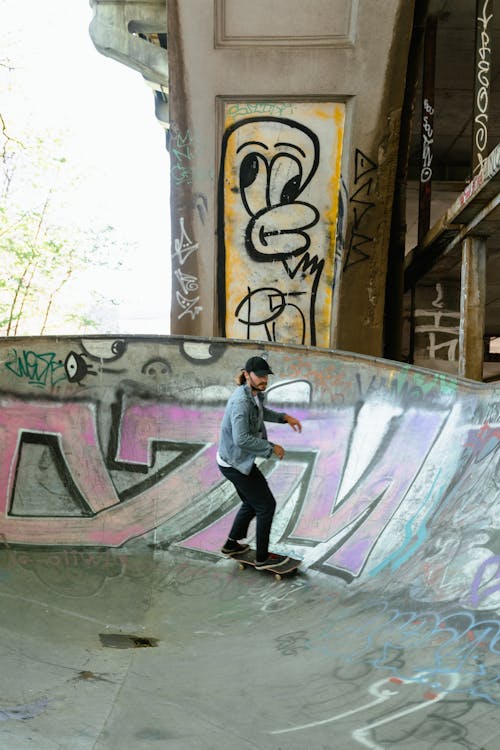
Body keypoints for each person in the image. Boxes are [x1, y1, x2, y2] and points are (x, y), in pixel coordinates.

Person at [217, 355, 302, 569]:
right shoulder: (240, 402)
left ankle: (231, 545)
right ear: (247, 375)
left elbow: (262, 413)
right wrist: (270, 447)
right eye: (260, 376)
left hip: (231, 460)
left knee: (251, 503)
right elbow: (241, 438)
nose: (264, 379)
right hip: (235, 463)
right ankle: (262, 558)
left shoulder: (254, 395)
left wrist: (284, 418)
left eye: (266, 376)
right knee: (266, 505)